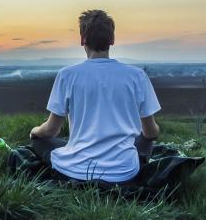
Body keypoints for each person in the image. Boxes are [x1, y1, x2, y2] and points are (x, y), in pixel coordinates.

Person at [29, 10, 161, 183]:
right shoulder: (137, 76)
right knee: (145, 139)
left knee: (39, 142)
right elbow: (151, 132)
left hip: (76, 170)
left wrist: (34, 131)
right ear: (112, 40)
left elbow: (51, 130)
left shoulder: (67, 75)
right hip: (124, 172)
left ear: (82, 39)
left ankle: (75, 155)